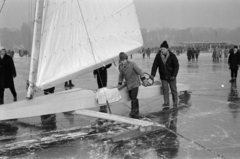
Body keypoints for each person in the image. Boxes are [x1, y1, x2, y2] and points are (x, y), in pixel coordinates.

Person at [118, 52, 149, 118]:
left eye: (124, 60)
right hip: (129, 84)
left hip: (135, 83)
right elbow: (121, 75)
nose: (123, 61)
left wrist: (144, 79)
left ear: (126, 59)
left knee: (133, 96)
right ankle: (136, 109)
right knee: (131, 97)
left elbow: (140, 71)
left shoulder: (132, 64)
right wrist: (120, 82)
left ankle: (134, 111)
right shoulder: (121, 67)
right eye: (121, 60)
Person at [150, 41, 179, 108]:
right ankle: (166, 102)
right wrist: (152, 74)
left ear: (167, 49)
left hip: (171, 76)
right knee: (165, 89)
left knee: (173, 90)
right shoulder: (158, 56)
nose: (162, 50)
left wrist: (174, 75)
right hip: (163, 77)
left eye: (163, 49)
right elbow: (155, 65)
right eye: (161, 49)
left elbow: (176, 66)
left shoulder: (172, 56)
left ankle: (175, 102)